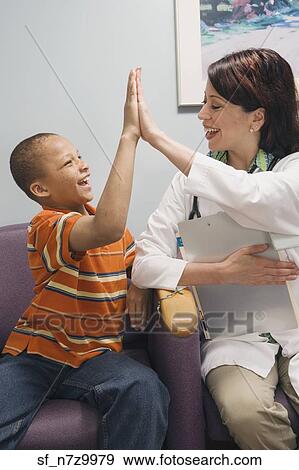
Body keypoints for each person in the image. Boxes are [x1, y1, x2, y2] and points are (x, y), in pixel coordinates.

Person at [132, 49, 299, 449]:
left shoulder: (291, 171)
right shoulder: (186, 185)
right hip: (235, 335)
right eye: (205, 103)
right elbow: (143, 264)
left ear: (257, 117)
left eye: (215, 105)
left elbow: (251, 194)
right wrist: (220, 273)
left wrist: (155, 137)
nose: (202, 115)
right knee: (246, 414)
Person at [0, 69, 169, 450]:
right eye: (68, 164)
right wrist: (130, 136)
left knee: (143, 388)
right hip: (35, 358)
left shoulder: (117, 233)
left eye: (80, 157)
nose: (83, 165)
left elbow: (143, 259)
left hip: (97, 359)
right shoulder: (46, 226)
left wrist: (139, 282)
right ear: (40, 189)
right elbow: (107, 225)